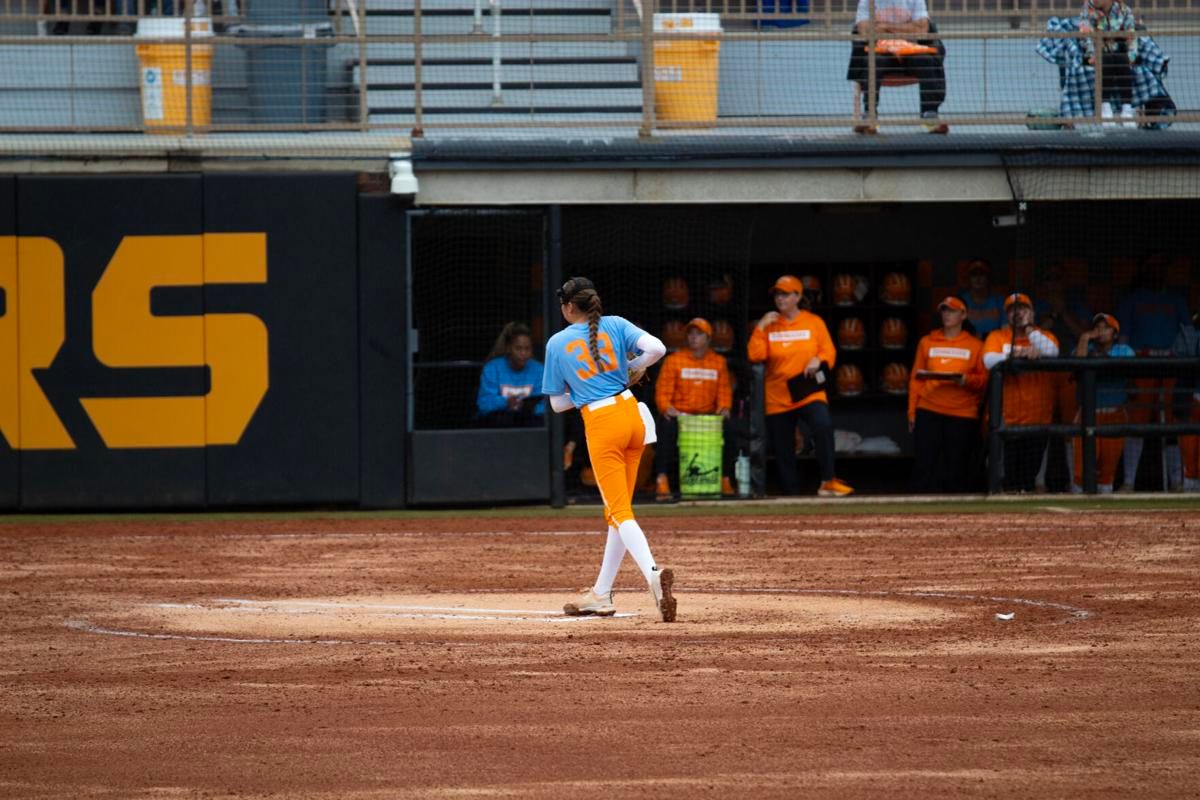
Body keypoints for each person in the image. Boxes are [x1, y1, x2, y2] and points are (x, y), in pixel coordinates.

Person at [542, 277, 676, 622]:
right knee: (619, 510)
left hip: (602, 422)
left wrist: (583, 389)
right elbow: (657, 349)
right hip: (632, 414)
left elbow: (558, 405)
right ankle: (601, 594)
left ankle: (652, 573)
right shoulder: (615, 324)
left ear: (569, 307)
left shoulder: (557, 343)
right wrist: (632, 369)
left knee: (619, 511)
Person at [748, 275, 853, 498]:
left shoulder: (814, 322)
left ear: (797, 296)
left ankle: (828, 481)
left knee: (822, 426)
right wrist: (761, 327)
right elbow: (755, 355)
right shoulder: (770, 325)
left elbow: (829, 351)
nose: (780, 298)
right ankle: (791, 494)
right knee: (784, 447)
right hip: (778, 395)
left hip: (808, 391)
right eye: (777, 294)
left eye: (785, 294)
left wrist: (819, 360)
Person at [1115, 254, 1192, 491]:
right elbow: (1123, 339)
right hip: (1141, 362)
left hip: (1171, 363)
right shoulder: (1132, 300)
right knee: (1137, 424)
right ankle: (1128, 481)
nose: (1157, 272)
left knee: (1173, 424)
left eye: (1161, 268)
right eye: (1152, 268)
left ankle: (1178, 481)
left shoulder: (1176, 300)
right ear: (1144, 271)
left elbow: (1189, 336)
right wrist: (1128, 374)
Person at [982, 292, 1061, 492]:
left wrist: (1029, 329)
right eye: (1012, 310)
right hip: (1010, 417)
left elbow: (1052, 351)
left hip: (1038, 416)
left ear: (1032, 312)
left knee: (1029, 473)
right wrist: (1019, 354)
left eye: (1023, 309)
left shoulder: (1044, 336)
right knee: (1008, 474)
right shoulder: (997, 336)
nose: (1017, 313)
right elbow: (989, 360)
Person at [907, 295, 987, 493]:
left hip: (962, 413)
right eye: (944, 310)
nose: (947, 314)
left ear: (963, 315)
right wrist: (911, 412)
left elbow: (984, 381)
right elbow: (916, 379)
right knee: (925, 464)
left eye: (952, 310)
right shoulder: (926, 342)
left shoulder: (976, 345)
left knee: (957, 467)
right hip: (929, 408)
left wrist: (965, 380)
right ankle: (918, 514)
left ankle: (956, 517)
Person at [653, 317, 736, 500]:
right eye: (690, 333)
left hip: (708, 418)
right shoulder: (673, 361)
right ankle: (661, 478)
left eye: (699, 334)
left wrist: (724, 408)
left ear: (708, 338)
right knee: (664, 429)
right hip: (680, 417)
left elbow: (724, 392)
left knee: (730, 431)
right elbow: (662, 392)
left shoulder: (719, 362)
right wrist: (666, 408)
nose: (693, 337)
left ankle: (725, 478)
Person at [847, 0, 947, 134]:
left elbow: (922, 29)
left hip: (911, 49)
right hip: (881, 51)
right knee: (871, 62)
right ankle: (870, 116)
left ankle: (930, 115)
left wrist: (883, 27)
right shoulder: (867, 2)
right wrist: (906, 28)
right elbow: (864, 31)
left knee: (926, 60)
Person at [1071, 313, 1135, 493]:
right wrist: (1084, 338)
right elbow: (1078, 368)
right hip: (1089, 412)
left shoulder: (1124, 350)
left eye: (1106, 327)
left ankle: (1104, 516)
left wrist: (1097, 362)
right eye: (1097, 327)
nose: (1100, 331)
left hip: (1114, 413)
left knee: (1107, 470)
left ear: (1115, 333)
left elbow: (1117, 370)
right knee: (1081, 468)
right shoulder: (1086, 346)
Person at [474, 322, 544, 428]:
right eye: (519, 348)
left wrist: (527, 407)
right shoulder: (492, 368)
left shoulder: (539, 370)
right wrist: (506, 402)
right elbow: (484, 404)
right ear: (508, 348)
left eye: (527, 349)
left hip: (530, 423)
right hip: (498, 424)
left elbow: (545, 404)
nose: (523, 353)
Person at [1172, 308, 1200, 492]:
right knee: (1190, 450)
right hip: (1195, 396)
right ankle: (1190, 489)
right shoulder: (1190, 334)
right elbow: (1179, 353)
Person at [962, 259, 1007, 337]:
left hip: (994, 345)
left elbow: (1006, 330)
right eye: (974, 274)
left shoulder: (999, 301)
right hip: (967, 345)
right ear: (968, 277)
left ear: (989, 277)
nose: (978, 278)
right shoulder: (961, 301)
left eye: (982, 274)